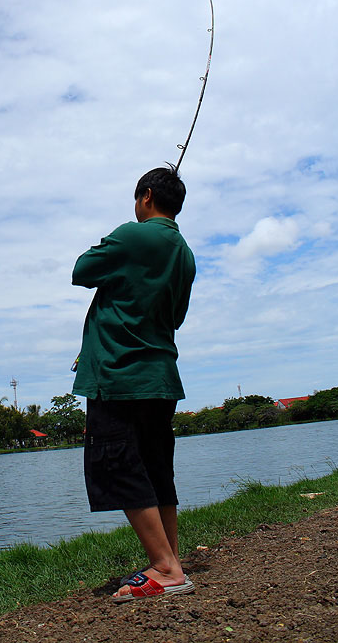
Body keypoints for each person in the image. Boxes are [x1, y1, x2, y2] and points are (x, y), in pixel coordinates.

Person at [71, 165, 196, 602]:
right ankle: (172, 559)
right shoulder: (185, 253)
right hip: (160, 376)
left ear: (145, 197)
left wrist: (109, 247)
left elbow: (82, 269)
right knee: (157, 468)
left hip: (120, 375)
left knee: (119, 466)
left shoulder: (132, 235)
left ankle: (165, 569)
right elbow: (175, 316)